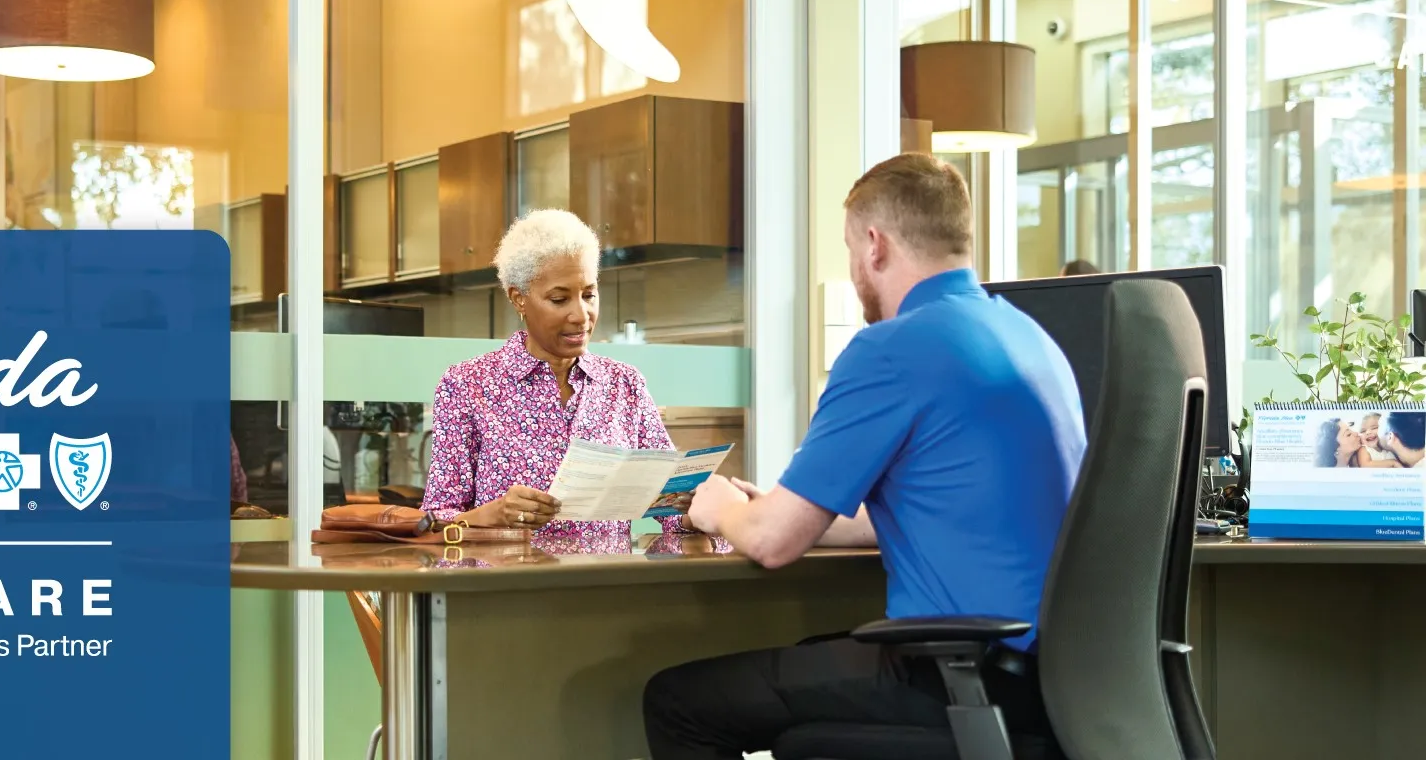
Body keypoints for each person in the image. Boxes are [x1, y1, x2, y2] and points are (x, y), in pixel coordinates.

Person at [642, 153, 1086, 759]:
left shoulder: (892, 348)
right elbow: (948, 512)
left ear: (874, 244)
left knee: (678, 702)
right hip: (1054, 677)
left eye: (850, 248)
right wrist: (792, 511)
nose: (853, 269)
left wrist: (721, 510)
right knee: (803, 677)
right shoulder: (1026, 336)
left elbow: (773, 545)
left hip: (958, 674)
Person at [419, 209, 688, 550]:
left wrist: (693, 507)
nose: (581, 315)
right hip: (506, 593)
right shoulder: (466, 385)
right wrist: (498, 513)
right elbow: (434, 523)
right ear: (519, 298)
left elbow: (670, 504)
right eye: (559, 299)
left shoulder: (625, 384)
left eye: (589, 295)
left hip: (607, 591)